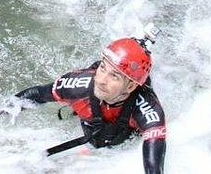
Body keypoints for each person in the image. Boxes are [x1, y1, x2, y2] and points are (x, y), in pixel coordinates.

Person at [10, 36, 166, 173]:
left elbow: (154, 168)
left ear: (131, 86)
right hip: (93, 125)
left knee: (113, 140)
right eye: (103, 68)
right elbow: (37, 94)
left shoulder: (148, 111)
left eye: (114, 76)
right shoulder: (78, 86)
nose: (101, 80)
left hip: (125, 134)